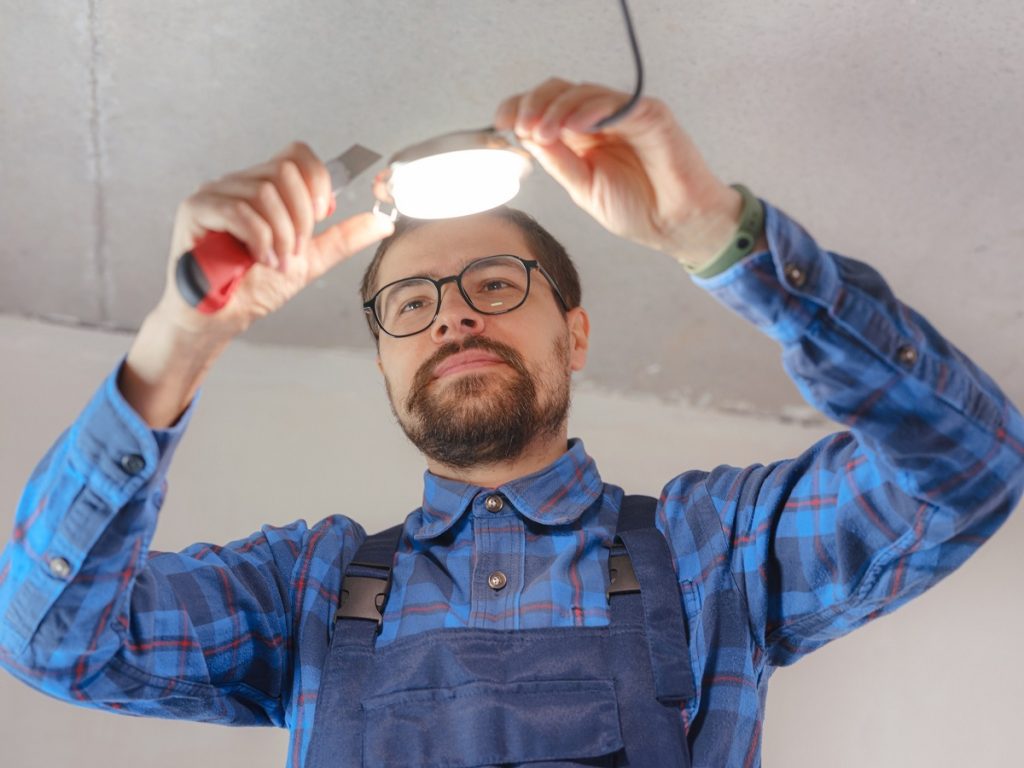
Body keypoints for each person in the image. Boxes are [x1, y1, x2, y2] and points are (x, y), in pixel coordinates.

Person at [1, 77, 1022, 768]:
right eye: (412, 304)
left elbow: (969, 465)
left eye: (494, 281)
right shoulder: (300, 593)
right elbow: (47, 639)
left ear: (572, 334)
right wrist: (181, 336)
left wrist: (720, 236)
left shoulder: (719, 553)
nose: (453, 311)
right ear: (388, 361)